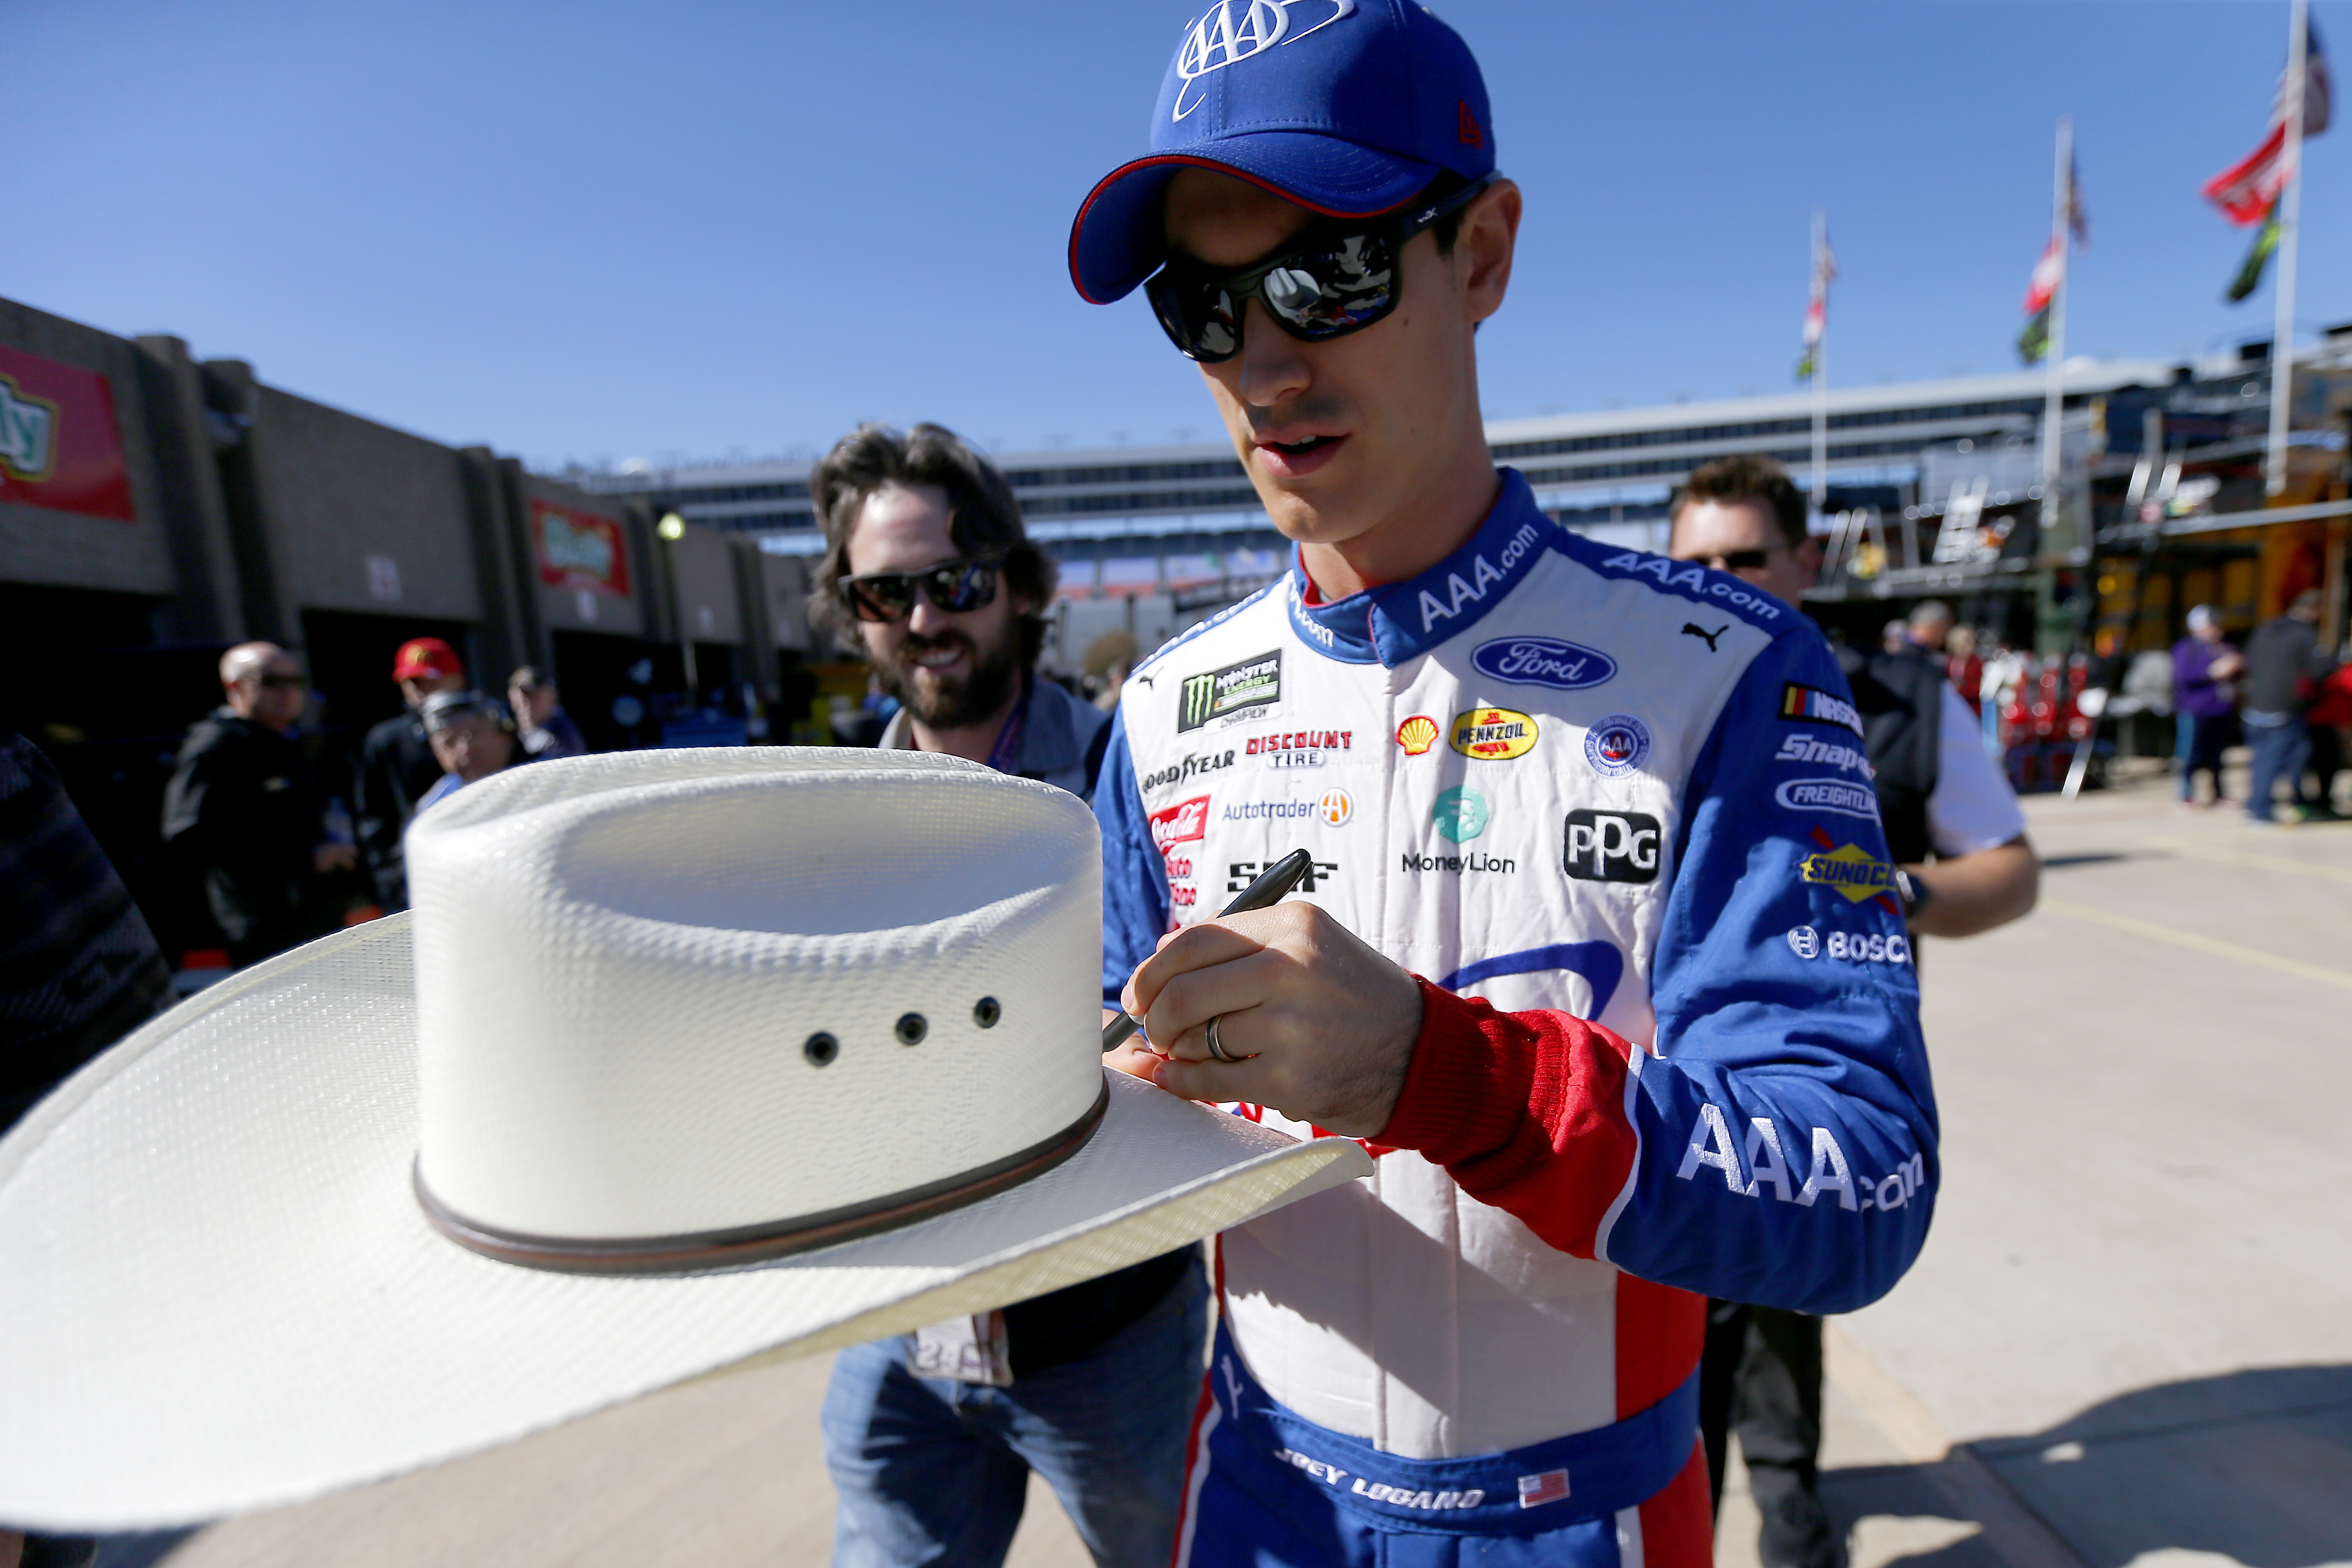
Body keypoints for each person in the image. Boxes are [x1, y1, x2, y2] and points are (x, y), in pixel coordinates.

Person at [1068, 13, 1936, 1566]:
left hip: (1581, 1513)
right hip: (1258, 1494)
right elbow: (1110, 1113)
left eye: (1321, 272)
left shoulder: (1723, 672)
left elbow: (1857, 1178)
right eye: (1198, 305)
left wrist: (1442, 1071)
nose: (1260, 363)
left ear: (1479, 252)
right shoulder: (1155, 709)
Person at [804, 422, 1198, 1568]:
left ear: (1020, 587)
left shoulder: (1132, 774)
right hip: (900, 1328)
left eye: (954, 581)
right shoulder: (825, 817)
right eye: (885, 593)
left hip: (1108, 1329)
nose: (923, 619)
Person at [1667, 456, 2036, 1568]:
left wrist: (1896, 892)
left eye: (1746, 557)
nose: (1723, 579)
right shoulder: (1626, 693)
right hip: (1656, 1100)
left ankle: (1795, 1536)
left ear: (1802, 560)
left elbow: (2011, 870)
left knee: (1783, 1358)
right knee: (1669, 1390)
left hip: (1812, 1091)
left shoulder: (1904, 696)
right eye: (1696, 563)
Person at [161, 643, 356, 969]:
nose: (287, 691)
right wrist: (301, 860)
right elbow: (188, 835)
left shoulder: (286, 742)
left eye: (296, 681)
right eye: (270, 682)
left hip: (314, 917)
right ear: (234, 687)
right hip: (263, 925)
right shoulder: (217, 746)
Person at [357, 638, 467, 910]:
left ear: (457, 680)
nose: (421, 690)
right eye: (412, 682)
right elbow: (373, 814)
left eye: (431, 680)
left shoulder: (486, 725)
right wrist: (388, 876)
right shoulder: (387, 740)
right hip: (416, 875)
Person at [2241, 588, 2336, 824]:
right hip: (2283, 708)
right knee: (2278, 759)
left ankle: (2263, 804)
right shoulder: (2304, 634)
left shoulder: (2265, 629)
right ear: (2315, 610)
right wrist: (2331, 662)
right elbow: (2318, 671)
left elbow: (2248, 662)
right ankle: (2261, 811)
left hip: (2254, 705)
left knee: (2261, 759)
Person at [2172, 605, 2243, 809]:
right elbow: (2184, 677)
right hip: (2194, 709)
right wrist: (2213, 672)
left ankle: (2219, 793)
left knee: (2218, 755)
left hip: (2220, 708)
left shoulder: (2225, 647)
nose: (2217, 629)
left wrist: (2237, 666)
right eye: (2212, 625)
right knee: (2189, 754)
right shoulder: (2187, 648)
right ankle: (2185, 794)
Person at [414, 691, 518, 812]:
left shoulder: (542, 771)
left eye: (473, 735)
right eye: (450, 743)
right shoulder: (435, 808)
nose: (465, 751)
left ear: (505, 735)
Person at [506, 666, 587, 761]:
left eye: (535, 696)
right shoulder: (504, 730)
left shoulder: (562, 732)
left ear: (552, 697)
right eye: (521, 696)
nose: (527, 703)